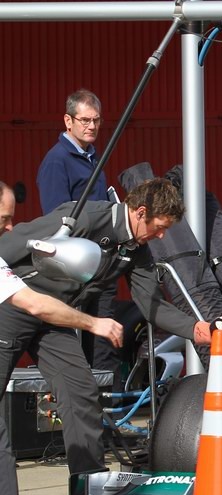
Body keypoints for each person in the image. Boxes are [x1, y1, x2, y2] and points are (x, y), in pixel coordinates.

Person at [0, 178, 222, 495]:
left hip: (58, 319)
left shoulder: (137, 250)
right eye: (160, 226)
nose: (162, 235)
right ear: (140, 212)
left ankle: (88, 491)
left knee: (81, 392)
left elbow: (151, 305)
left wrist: (196, 329)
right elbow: (12, 245)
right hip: (14, 307)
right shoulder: (82, 217)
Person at [0, 249, 124, 495]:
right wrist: (94, 323)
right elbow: (33, 303)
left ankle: (90, 494)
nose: (10, 226)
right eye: (3, 218)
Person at [37, 89, 120, 378]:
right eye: (84, 120)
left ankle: (106, 393)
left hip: (101, 262)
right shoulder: (57, 161)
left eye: (96, 120)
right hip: (76, 270)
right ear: (67, 121)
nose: (92, 126)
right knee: (83, 337)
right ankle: (91, 393)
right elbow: (56, 219)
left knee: (102, 335)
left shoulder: (91, 157)